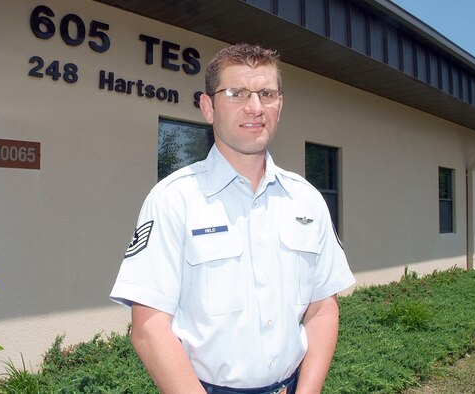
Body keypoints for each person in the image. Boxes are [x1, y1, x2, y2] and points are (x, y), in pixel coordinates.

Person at [110, 43, 355, 394]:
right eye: (236, 93)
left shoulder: (307, 199)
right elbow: (149, 327)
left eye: (267, 94)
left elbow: (323, 308)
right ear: (208, 107)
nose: (255, 107)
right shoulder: (173, 200)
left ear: (279, 105)